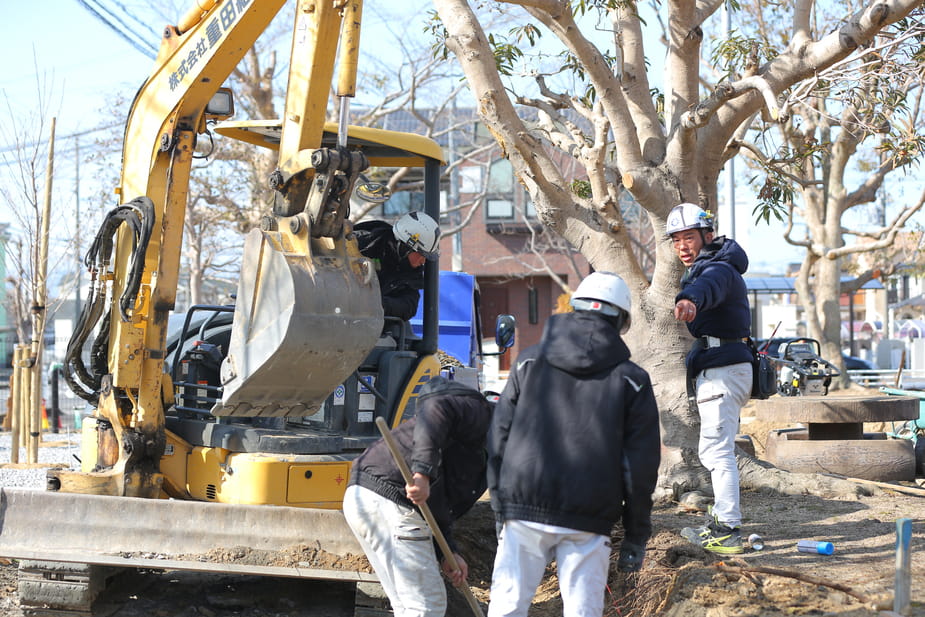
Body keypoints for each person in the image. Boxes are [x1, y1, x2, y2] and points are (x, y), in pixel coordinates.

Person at [486, 272, 661, 617]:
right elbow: (639, 467)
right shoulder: (632, 380)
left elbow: (498, 438)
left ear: (575, 307)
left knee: (507, 607)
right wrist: (636, 533)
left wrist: (498, 505)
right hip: (589, 516)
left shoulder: (528, 361)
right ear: (621, 320)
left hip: (523, 506)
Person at [342, 376, 492, 617]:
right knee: (426, 606)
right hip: (390, 500)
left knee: (408, 607)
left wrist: (448, 552)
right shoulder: (483, 415)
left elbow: (440, 505)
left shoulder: (490, 456)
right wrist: (422, 473)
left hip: (372, 500)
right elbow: (436, 404)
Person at [668, 202, 753, 555]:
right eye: (676, 240)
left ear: (707, 235)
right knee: (716, 450)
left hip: (722, 372)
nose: (682, 246)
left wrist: (689, 299)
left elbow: (708, 286)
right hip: (724, 368)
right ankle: (720, 521)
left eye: (688, 237)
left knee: (717, 452)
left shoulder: (717, 268)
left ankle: (727, 531)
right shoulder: (714, 265)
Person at [353, 211, 440, 321]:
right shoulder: (362, 242)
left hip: (371, 323)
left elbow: (408, 306)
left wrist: (377, 303)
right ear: (405, 247)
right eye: (421, 254)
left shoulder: (412, 275)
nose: (423, 261)